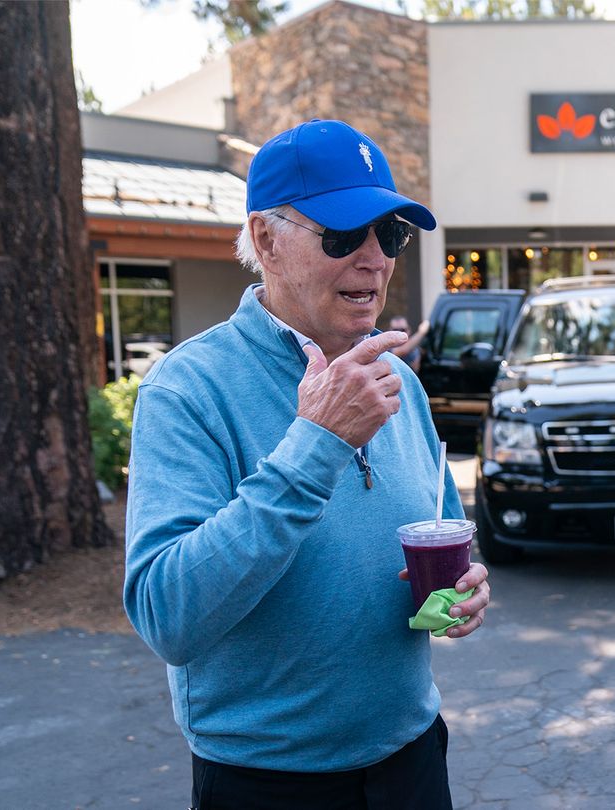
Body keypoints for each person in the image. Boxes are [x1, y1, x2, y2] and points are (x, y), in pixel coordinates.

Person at [123, 119, 490, 810]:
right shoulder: (187, 388)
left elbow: (442, 532)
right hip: (268, 782)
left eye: (392, 234)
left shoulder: (400, 381)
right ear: (266, 239)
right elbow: (166, 616)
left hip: (412, 758)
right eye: (344, 235)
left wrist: (463, 589)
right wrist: (316, 443)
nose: (376, 258)